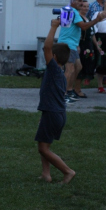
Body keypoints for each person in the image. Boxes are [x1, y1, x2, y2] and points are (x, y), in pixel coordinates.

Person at [35, 19, 75, 184]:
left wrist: (53, 27)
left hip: (53, 113)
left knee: (43, 148)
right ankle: (46, 174)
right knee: (44, 145)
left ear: (55, 57)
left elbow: (47, 47)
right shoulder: (61, 72)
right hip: (55, 113)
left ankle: (68, 171)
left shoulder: (53, 69)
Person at [57, 0, 106, 103]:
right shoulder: (73, 12)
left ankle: (69, 90)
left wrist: (77, 44)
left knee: (78, 67)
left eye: (82, 1)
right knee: (69, 69)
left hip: (72, 44)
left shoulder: (70, 10)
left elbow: (69, 27)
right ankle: (62, 94)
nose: (81, 3)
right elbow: (83, 27)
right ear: (73, 1)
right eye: (79, 1)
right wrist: (97, 19)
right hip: (67, 44)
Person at [74, 0, 101, 97]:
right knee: (80, 67)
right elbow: (76, 33)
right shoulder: (78, 18)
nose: (85, 8)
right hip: (81, 44)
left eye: (87, 6)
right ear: (80, 7)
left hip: (89, 45)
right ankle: (76, 89)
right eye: (83, 6)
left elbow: (92, 33)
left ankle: (77, 88)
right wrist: (77, 45)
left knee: (87, 66)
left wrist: (97, 46)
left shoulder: (88, 18)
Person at [92, 0, 106, 93]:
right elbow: (93, 28)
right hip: (101, 39)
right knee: (101, 62)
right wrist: (96, 44)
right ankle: (100, 85)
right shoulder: (97, 14)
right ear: (103, 4)